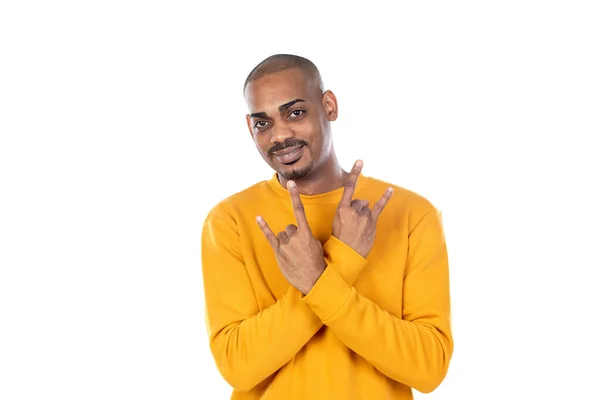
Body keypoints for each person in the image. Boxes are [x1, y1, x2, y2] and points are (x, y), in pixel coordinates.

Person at [201, 54, 453, 399]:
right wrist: (343, 260)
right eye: (263, 123)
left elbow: (429, 368)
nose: (280, 135)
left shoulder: (410, 214)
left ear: (329, 105)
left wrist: (317, 279)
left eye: (295, 113)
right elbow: (239, 367)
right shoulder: (230, 220)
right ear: (250, 127)